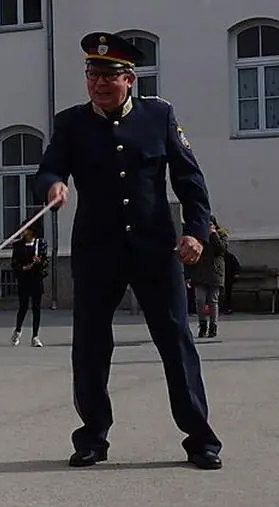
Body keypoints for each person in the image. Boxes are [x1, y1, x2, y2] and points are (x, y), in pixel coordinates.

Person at [33, 31, 223, 470]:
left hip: (156, 248)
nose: (99, 83)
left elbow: (191, 183)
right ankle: (92, 437)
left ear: (130, 78)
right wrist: (53, 185)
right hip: (97, 250)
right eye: (92, 74)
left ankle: (200, 439)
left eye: (109, 75)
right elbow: (48, 168)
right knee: (91, 345)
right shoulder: (71, 124)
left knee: (175, 339)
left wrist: (196, 232)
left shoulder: (159, 116)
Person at [188, 215, 228, 338]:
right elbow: (191, 253)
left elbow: (221, 250)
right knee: (200, 300)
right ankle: (202, 324)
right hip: (199, 272)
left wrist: (213, 234)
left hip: (215, 273)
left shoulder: (221, 235)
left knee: (213, 301)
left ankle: (213, 326)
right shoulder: (196, 235)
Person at [10, 224, 49, 347]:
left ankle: (35, 336)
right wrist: (22, 268)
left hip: (36, 279)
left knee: (36, 308)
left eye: (25, 229)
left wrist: (40, 261)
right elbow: (14, 263)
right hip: (24, 279)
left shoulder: (40, 243)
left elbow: (45, 261)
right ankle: (18, 331)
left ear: (32, 231)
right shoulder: (17, 245)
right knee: (23, 307)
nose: (23, 231)